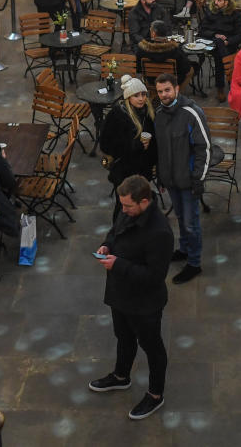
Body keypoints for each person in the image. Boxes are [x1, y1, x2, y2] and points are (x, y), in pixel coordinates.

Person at [89, 174, 173, 421]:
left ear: (144, 202)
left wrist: (118, 265)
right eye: (122, 205)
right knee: (123, 337)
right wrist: (107, 245)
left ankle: (156, 395)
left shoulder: (160, 232)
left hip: (144, 303)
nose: (123, 210)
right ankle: (121, 376)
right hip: (121, 293)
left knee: (152, 347)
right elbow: (115, 232)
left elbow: (155, 276)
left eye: (127, 206)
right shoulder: (128, 212)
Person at [153, 74, 210, 285]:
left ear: (176, 88)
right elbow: (161, 148)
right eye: (159, 91)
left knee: (191, 222)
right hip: (171, 179)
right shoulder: (159, 113)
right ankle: (185, 250)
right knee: (180, 218)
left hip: (188, 181)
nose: (163, 95)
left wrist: (198, 179)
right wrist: (161, 174)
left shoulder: (192, 113)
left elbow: (204, 148)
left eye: (167, 90)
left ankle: (194, 263)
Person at [98, 77, 158, 218]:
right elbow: (106, 145)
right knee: (124, 208)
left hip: (143, 171)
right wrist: (134, 145)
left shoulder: (148, 112)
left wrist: (155, 161)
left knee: (141, 207)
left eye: (143, 94)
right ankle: (118, 235)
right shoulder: (117, 115)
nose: (141, 98)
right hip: (124, 172)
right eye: (136, 95)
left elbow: (155, 140)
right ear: (128, 97)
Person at [198, 0, 241, 102]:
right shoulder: (211, 12)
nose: (215, 2)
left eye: (219, 0)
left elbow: (240, 34)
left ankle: (221, 86)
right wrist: (215, 34)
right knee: (219, 51)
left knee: (220, 56)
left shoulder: (235, 14)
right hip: (214, 42)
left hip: (229, 43)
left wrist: (228, 41)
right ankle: (227, 81)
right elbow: (202, 30)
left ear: (226, 2)